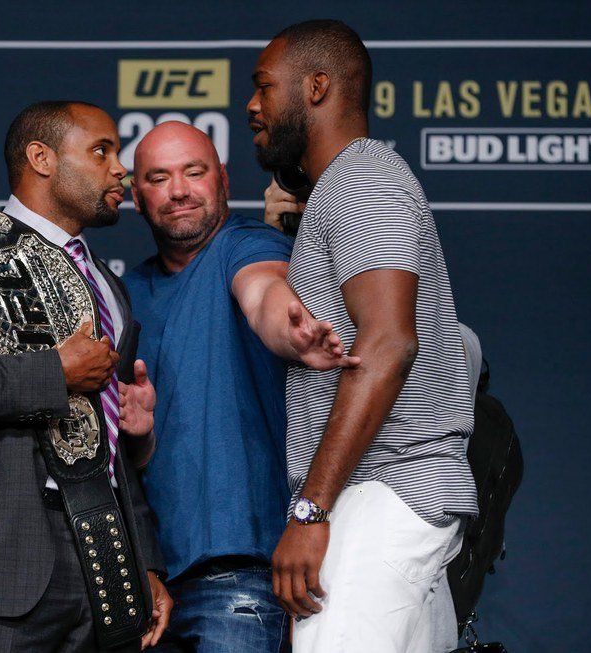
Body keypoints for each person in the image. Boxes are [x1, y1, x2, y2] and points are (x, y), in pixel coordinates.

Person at [0, 100, 172, 652]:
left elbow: (109, 449)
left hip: (102, 563)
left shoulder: (107, 287)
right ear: (41, 158)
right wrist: (55, 371)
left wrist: (145, 560)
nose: (120, 168)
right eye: (101, 151)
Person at [248, 20, 478, 652]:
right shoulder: (340, 188)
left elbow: (388, 345)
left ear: (316, 87)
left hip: (383, 492)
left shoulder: (361, 178)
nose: (252, 105)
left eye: (264, 86)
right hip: (385, 495)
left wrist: (311, 509)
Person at [123, 120, 358, 652]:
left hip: (241, 575)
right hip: (148, 580)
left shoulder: (246, 243)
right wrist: (139, 436)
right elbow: (137, 457)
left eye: (194, 172)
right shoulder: (125, 293)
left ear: (223, 180)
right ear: (137, 196)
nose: (179, 190)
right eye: (159, 178)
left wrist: (292, 331)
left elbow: (263, 292)